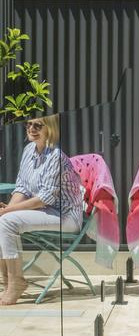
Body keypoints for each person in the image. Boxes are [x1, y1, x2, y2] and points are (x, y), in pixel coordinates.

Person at [0, 115, 83, 306]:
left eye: (38, 125)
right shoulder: (29, 150)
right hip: (46, 210)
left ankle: (16, 282)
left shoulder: (56, 156)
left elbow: (45, 198)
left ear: (50, 129)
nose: (31, 129)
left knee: (7, 221)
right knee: (3, 220)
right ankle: (8, 281)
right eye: (29, 124)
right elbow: (22, 187)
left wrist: (9, 212)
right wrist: (8, 210)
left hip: (66, 215)